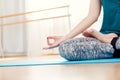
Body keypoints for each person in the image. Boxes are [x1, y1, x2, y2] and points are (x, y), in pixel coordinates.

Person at [44, 0, 120, 61]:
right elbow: (92, 16)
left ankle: (112, 42)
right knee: (66, 47)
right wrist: (64, 38)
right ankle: (113, 43)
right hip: (105, 35)